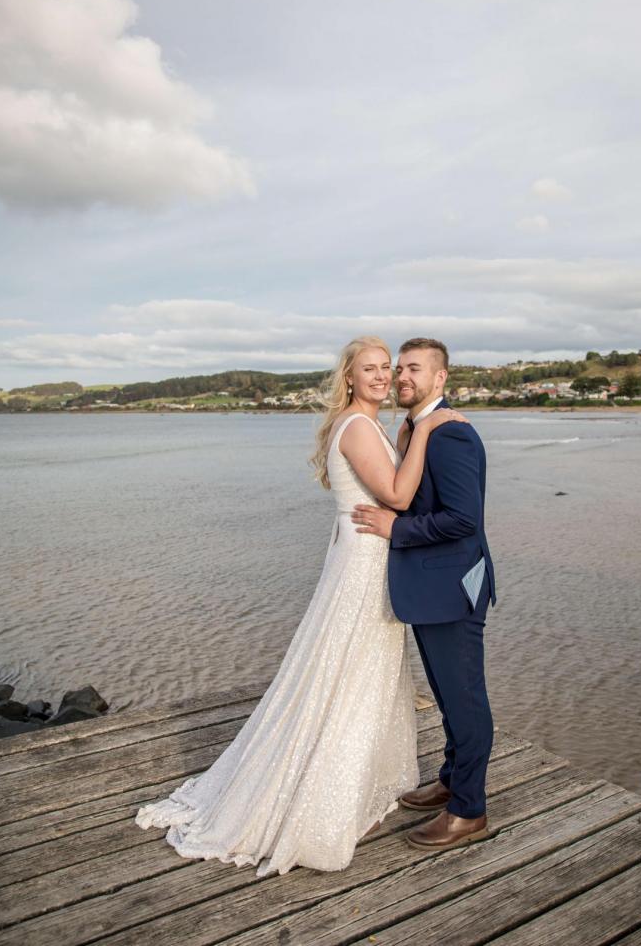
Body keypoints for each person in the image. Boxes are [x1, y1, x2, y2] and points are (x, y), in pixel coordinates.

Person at [134, 335, 465, 876]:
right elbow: (400, 499)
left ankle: (354, 787)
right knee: (349, 675)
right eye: (371, 369)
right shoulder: (358, 427)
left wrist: (410, 430)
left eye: (388, 368)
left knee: (357, 674)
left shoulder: (372, 424)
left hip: (365, 559)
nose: (383, 376)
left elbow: (388, 488)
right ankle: (325, 797)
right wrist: (429, 425)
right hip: (362, 566)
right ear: (349, 378)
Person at [352, 337, 496, 852]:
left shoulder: (449, 434)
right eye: (401, 368)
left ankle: (469, 811)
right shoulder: (415, 428)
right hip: (432, 585)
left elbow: (463, 520)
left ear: (440, 380)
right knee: (444, 693)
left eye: (416, 369)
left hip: (454, 585)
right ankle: (452, 780)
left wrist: (396, 528)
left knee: (464, 700)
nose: (403, 377)